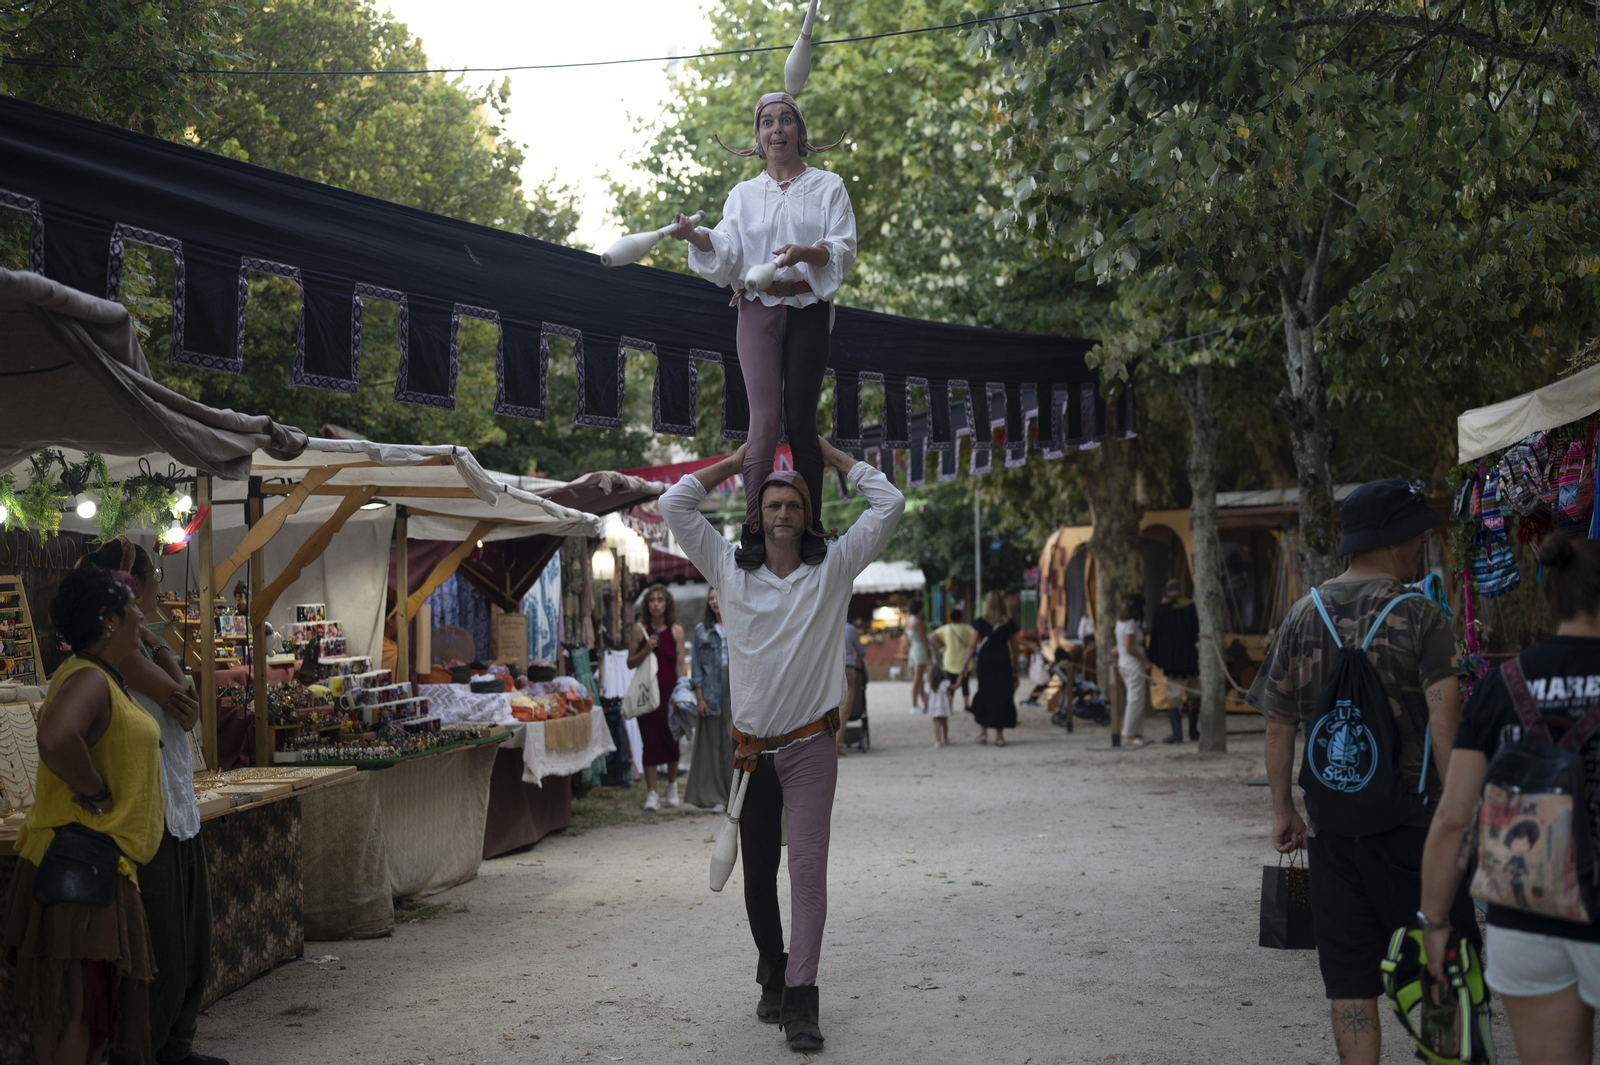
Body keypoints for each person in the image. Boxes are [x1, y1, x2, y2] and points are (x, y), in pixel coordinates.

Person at [659, 435, 904, 1052]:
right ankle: (772, 965)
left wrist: (836, 459)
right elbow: (674, 504)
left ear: (808, 514)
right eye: (772, 504)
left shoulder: (836, 568)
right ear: (757, 515)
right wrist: (740, 461)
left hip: (810, 748)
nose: (783, 513)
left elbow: (890, 504)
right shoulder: (725, 568)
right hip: (748, 752)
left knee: (808, 872)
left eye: (794, 503)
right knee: (757, 874)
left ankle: (801, 999)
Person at [1250, 478, 1473, 1065]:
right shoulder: (1423, 615)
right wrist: (1462, 818)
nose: (1424, 540)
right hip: (1418, 830)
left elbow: (1278, 726)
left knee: (1350, 980)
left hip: (1333, 831)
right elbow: (1447, 728)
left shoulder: (1302, 614)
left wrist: (1283, 810)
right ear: (1398, 539)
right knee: (1441, 964)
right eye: (1418, 530)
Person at [1420, 532, 1600, 1064]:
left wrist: (1434, 923)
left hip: (1526, 914)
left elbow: (1455, 818)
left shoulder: (1501, 685)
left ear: (1552, 598)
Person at [670, 88, 856, 572]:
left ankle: (811, 528)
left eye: (786, 120)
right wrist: (693, 234)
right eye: (767, 122)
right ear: (757, 137)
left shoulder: (829, 186)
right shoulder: (742, 195)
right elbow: (727, 249)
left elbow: (841, 248)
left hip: (809, 306)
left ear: (800, 132)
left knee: (800, 422)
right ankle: (754, 529)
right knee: (764, 422)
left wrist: (803, 253)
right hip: (756, 309)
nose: (776, 129)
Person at [3, 566, 164, 1065]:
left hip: (87, 865)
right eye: (131, 605)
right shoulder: (90, 676)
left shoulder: (102, 676)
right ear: (109, 620)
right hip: (82, 867)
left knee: (79, 1012)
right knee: (82, 1015)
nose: (141, 614)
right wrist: (94, 787)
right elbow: (54, 737)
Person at [82, 542, 222, 1065]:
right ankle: (153, 1050)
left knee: (191, 941)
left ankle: (174, 1046)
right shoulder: (119, 654)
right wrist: (155, 641)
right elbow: (185, 703)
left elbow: (184, 707)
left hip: (176, 807)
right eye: (154, 576)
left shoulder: (135, 647)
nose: (159, 587)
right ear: (132, 587)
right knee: (164, 947)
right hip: (150, 812)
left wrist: (150, 638)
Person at [628, 584, 686, 811]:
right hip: (647, 695)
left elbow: (680, 665)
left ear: (667, 604)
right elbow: (629, 662)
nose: (656, 603)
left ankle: (671, 786)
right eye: (652, 600)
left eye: (660, 599)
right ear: (647, 604)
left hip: (670, 694)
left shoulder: (676, 631)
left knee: (673, 740)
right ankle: (651, 793)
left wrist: (683, 693)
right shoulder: (639, 630)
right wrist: (645, 650)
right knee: (649, 743)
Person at [685, 588, 735, 811]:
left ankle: (735, 795)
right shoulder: (701, 630)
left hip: (737, 688)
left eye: (718, 597)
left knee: (734, 740)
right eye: (711, 599)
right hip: (711, 689)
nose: (715, 602)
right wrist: (699, 697)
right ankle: (716, 796)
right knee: (713, 742)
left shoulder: (738, 624)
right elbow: (696, 667)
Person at [962, 590, 1021, 746]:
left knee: (985, 693)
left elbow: (971, 646)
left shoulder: (980, 622)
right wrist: (1015, 665)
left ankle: (983, 733)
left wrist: (965, 664)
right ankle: (999, 736)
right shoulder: (1008, 623)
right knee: (1001, 695)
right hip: (1002, 660)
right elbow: (1014, 647)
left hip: (986, 661)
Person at [1147, 579, 1200, 744]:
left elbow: (1155, 636)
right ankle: (1192, 731)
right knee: (1195, 694)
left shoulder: (1161, 610)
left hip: (1173, 663)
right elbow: (1196, 632)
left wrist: (1154, 659)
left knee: (1174, 696)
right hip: (1190, 660)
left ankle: (1178, 733)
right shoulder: (1190, 608)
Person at [1115, 595, 1153, 748]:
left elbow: (1117, 648)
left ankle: (1136, 732)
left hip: (1125, 663)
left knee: (1137, 698)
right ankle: (1129, 735)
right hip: (1133, 664)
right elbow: (1129, 647)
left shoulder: (1120, 623)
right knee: (1135, 699)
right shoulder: (1129, 624)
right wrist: (1145, 661)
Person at [930, 608, 977, 712]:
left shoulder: (945, 628)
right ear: (961, 617)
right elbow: (975, 639)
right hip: (965, 660)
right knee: (965, 684)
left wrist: (941, 646)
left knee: (949, 683)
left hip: (949, 661)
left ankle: (949, 705)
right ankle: (966, 705)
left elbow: (931, 637)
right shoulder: (968, 628)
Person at [902, 601, 931, 713]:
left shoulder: (908, 620)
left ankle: (925, 704)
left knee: (919, 679)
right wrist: (928, 651)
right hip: (920, 649)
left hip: (913, 650)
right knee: (917, 679)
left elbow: (906, 639)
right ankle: (914, 705)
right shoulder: (918, 622)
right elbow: (924, 640)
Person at [921, 662, 953, 747]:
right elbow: (954, 687)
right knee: (945, 723)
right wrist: (960, 678)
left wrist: (925, 706)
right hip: (943, 706)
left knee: (936, 724)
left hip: (934, 707)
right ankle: (945, 738)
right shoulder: (944, 683)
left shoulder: (929, 685)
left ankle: (938, 741)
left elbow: (926, 697)